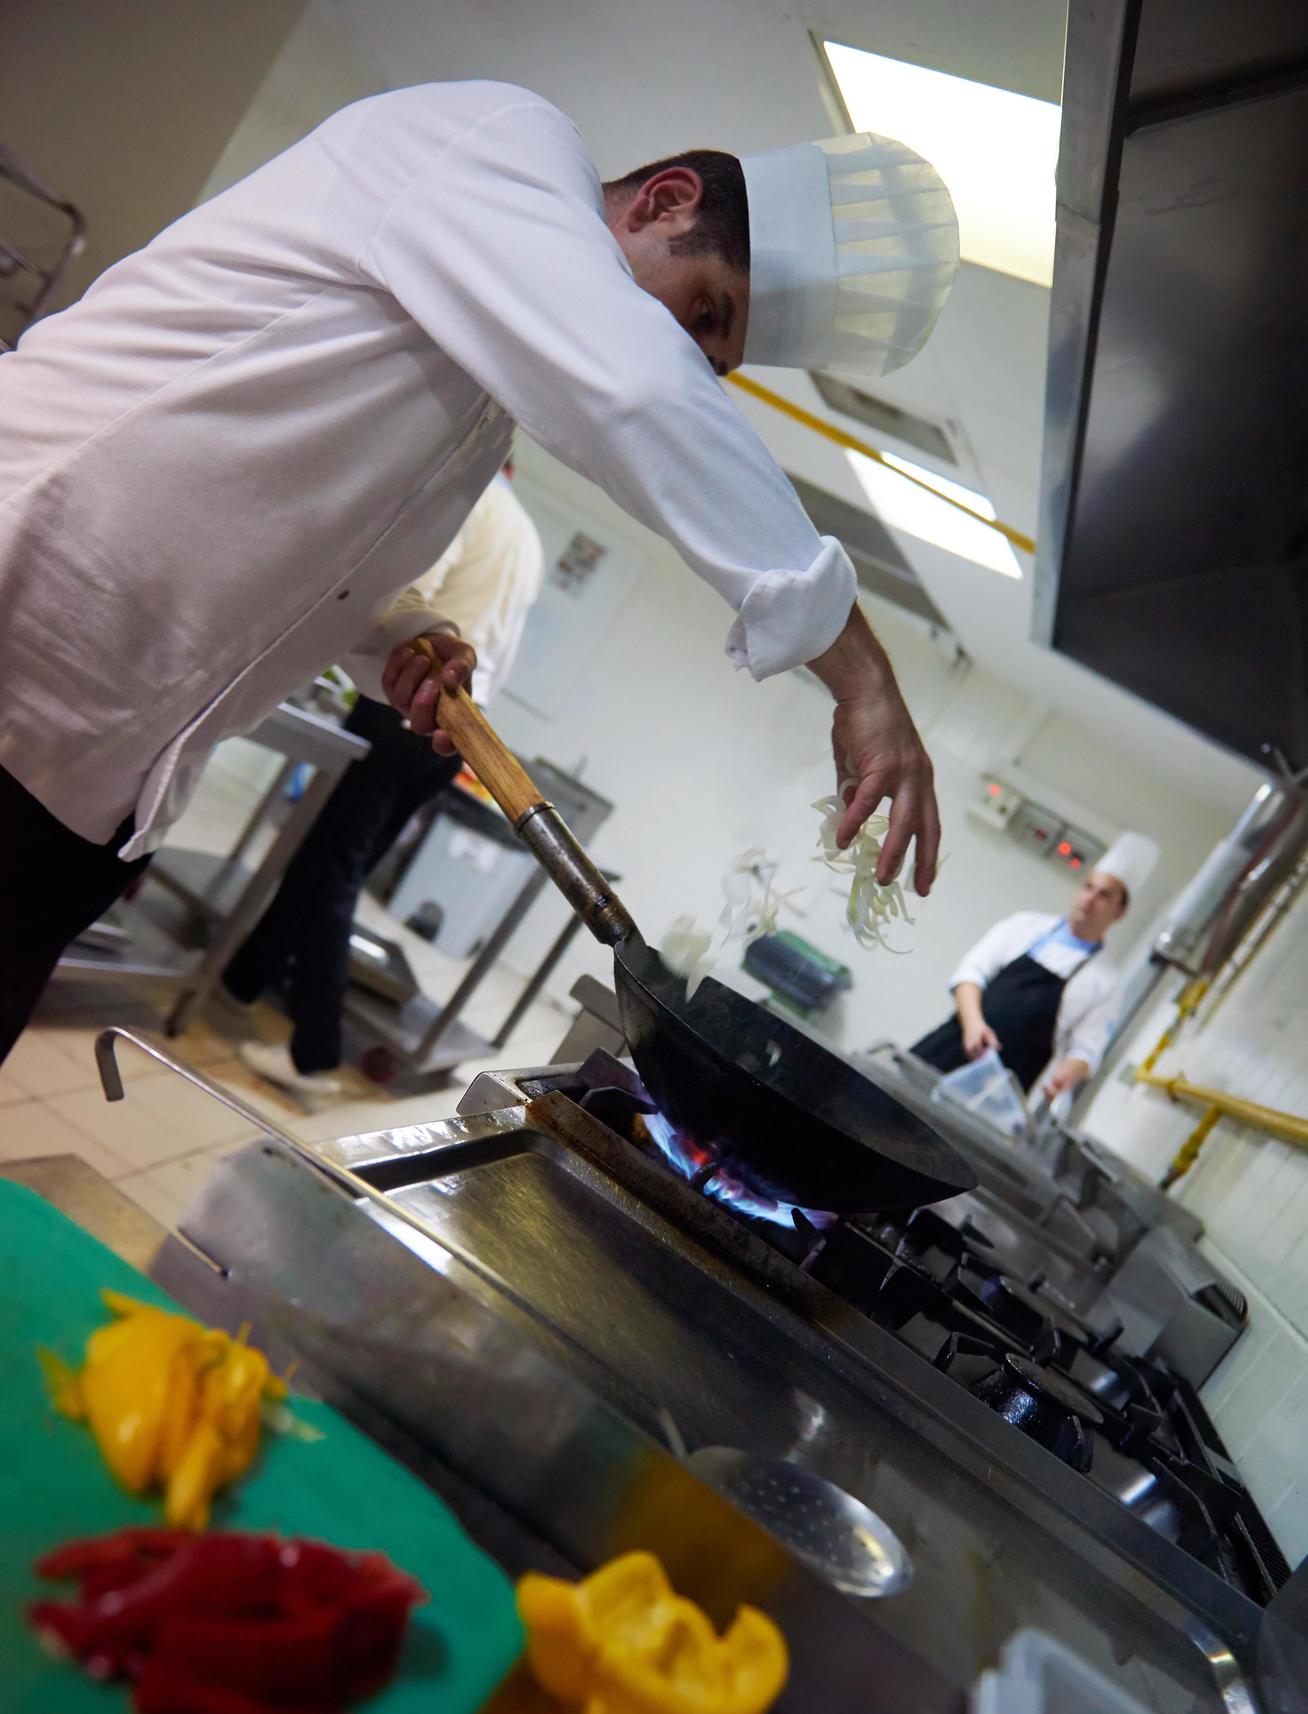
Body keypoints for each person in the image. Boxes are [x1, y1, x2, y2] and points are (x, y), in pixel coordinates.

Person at [0, 80, 960, 1067]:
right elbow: (637, 385)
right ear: (663, 200)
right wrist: (861, 673)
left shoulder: (476, 409)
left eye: (711, 356)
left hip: (91, 786)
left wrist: (397, 631)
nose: (682, 353)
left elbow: (302, 544)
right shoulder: (498, 140)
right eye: (703, 311)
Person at [226, 471, 545, 1094]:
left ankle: (313, 1053)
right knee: (334, 857)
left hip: (404, 704)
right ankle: (246, 975)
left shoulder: (467, 495)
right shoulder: (527, 536)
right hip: (456, 733)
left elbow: (409, 597)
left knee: (333, 867)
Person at [910, 835, 1159, 1099]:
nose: (1089, 899)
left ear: (1120, 912)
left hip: (998, 1092)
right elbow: (970, 973)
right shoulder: (1024, 926)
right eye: (1088, 887)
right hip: (948, 1046)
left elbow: (1086, 1051)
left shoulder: (1106, 982)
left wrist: (1066, 1075)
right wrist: (973, 1025)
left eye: (1104, 895)